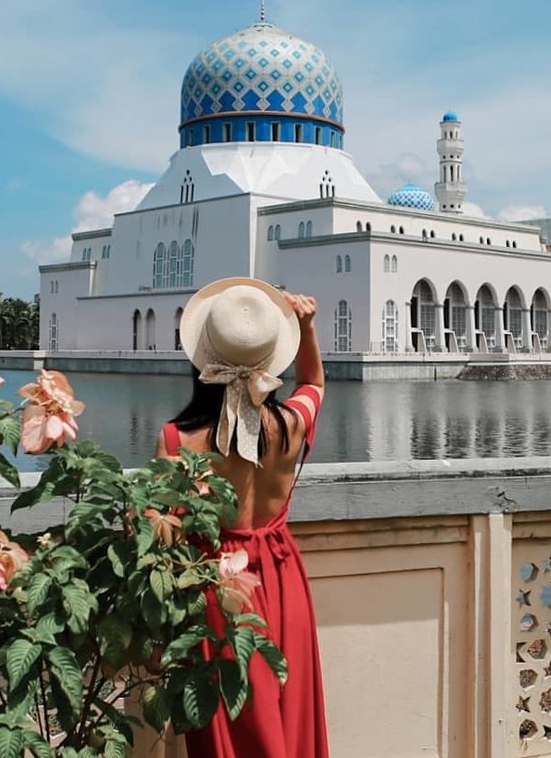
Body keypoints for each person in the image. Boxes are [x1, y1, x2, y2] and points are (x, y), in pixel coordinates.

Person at [155, 277, 329, 758]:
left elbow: (158, 527)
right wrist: (307, 326)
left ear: (201, 358)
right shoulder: (291, 424)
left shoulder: (178, 440)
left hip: (218, 584)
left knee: (232, 727)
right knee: (289, 716)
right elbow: (313, 384)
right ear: (270, 360)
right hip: (282, 576)